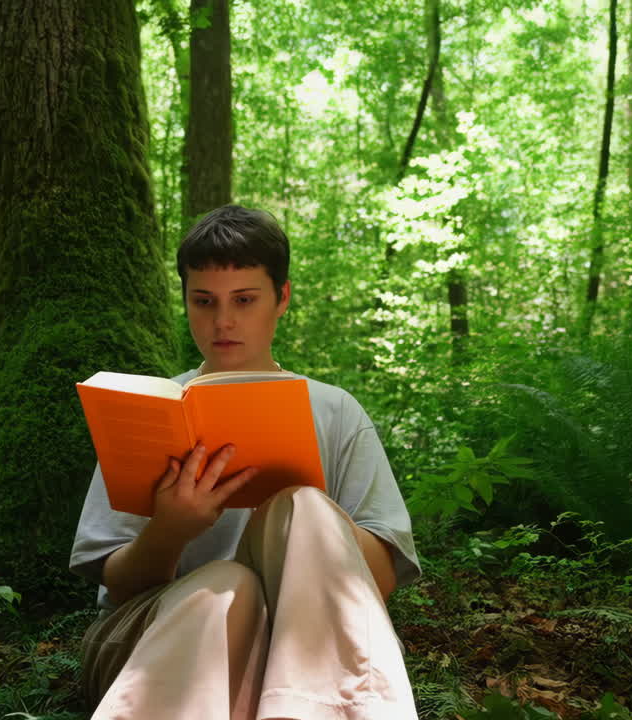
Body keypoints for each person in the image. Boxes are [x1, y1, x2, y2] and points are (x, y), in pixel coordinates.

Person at [69, 205, 421, 720]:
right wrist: (171, 529)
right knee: (228, 588)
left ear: (281, 298)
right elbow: (115, 583)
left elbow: (380, 583)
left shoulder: (334, 411)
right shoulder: (150, 409)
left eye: (244, 300)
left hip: (300, 642)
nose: (223, 321)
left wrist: (307, 518)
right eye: (203, 301)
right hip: (150, 642)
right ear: (186, 301)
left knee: (302, 507)